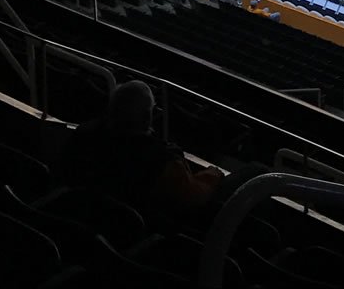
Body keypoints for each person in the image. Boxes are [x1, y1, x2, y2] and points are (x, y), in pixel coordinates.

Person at [60, 80, 224, 215]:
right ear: (148, 116)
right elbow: (194, 195)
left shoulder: (85, 133)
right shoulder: (161, 161)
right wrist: (214, 174)